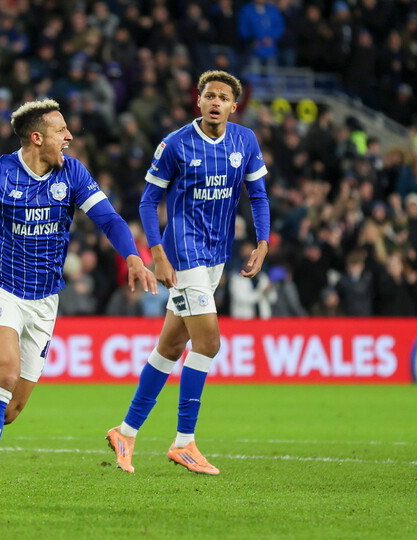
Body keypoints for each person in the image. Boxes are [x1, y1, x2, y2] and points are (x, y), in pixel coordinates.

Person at [0, 98, 156, 506]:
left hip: (44, 300)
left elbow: (108, 219)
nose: (69, 137)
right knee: (4, 373)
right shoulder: (0, 171)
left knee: (9, 410)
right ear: (36, 138)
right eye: (61, 130)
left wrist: (132, 256)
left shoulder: (73, 172)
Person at [105, 70, 270, 475]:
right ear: (198, 100)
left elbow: (258, 194)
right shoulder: (175, 144)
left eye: (223, 98)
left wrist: (263, 242)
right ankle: (184, 442)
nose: (216, 102)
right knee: (208, 343)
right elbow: (148, 202)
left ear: (234, 106)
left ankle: (125, 431)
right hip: (183, 254)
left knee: (170, 347)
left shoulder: (245, 141)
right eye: (209, 95)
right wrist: (157, 253)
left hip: (216, 255)